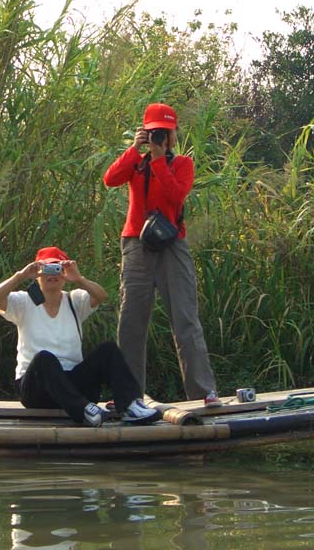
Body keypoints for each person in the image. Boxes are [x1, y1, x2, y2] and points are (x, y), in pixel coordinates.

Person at [102, 102, 220, 406]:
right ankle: (128, 394)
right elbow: (110, 179)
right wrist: (134, 150)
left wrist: (158, 160)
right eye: (154, 132)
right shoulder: (136, 163)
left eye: (164, 133)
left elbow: (176, 195)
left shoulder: (182, 164)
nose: (159, 137)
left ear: (173, 135)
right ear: (145, 131)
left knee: (185, 318)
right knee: (131, 321)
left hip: (172, 246)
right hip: (135, 244)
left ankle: (203, 392)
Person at [0, 246, 159, 427]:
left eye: (57, 268)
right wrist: (21, 275)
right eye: (46, 269)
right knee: (44, 359)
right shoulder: (24, 301)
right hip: (37, 389)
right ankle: (84, 411)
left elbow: (101, 296)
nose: (51, 274)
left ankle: (131, 406)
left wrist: (78, 278)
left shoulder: (74, 300)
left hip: (73, 384)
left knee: (108, 350)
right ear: (37, 273)